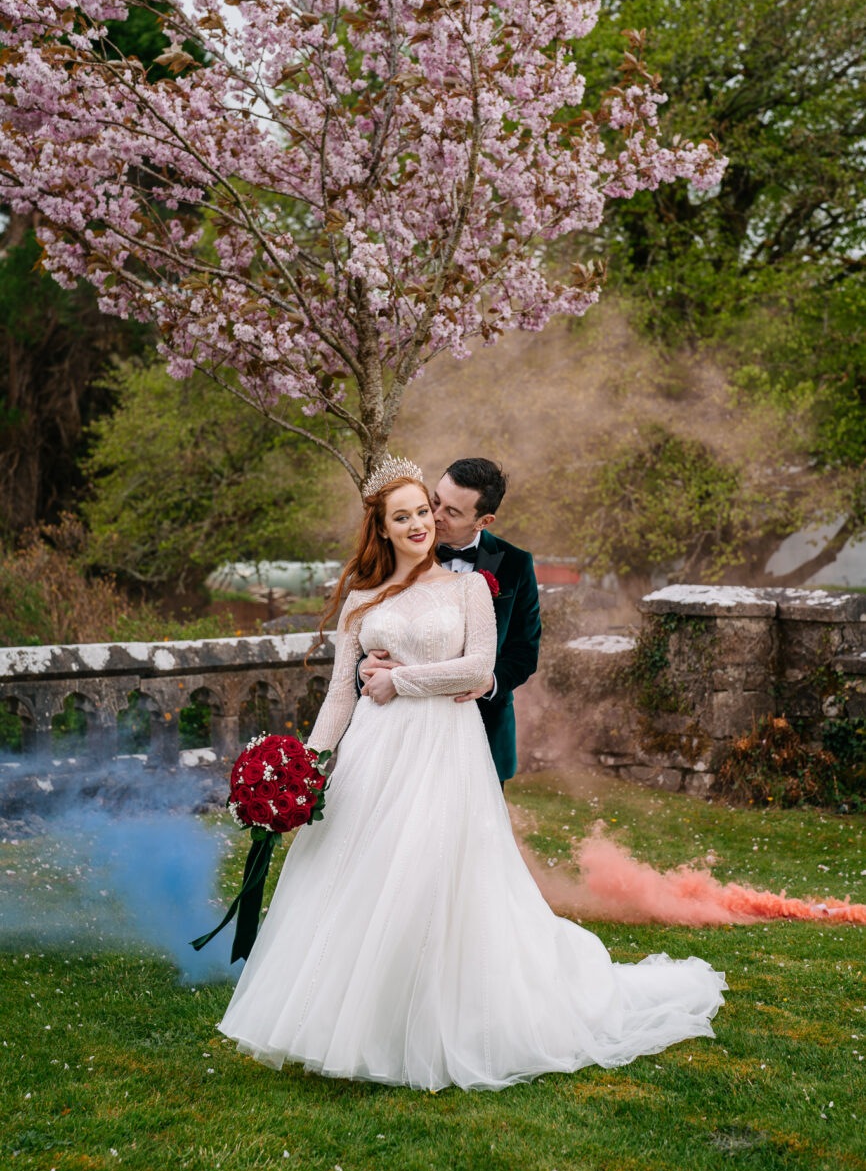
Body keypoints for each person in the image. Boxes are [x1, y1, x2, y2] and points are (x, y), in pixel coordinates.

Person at [217, 458, 727, 1092]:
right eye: (402, 514)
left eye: (425, 512)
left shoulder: (471, 588)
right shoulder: (359, 599)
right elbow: (340, 697)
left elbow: (481, 668)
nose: (420, 522)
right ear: (380, 526)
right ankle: (358, 1018)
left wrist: (397, 679)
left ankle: (441, 1019)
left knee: (436, 876)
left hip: (445, 751)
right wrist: (303, 769)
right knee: (362, 873)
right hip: (375, 755)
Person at [357, 457, 540, 785]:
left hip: (481, 728)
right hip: (401, 727)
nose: (434, 517)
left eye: (452, 512)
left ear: (483, 521)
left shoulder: (515, 564)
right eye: (435, 501)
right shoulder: (397, 552)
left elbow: (525, 650)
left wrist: (490, 681)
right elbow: (372, 627)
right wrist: (364, 666)